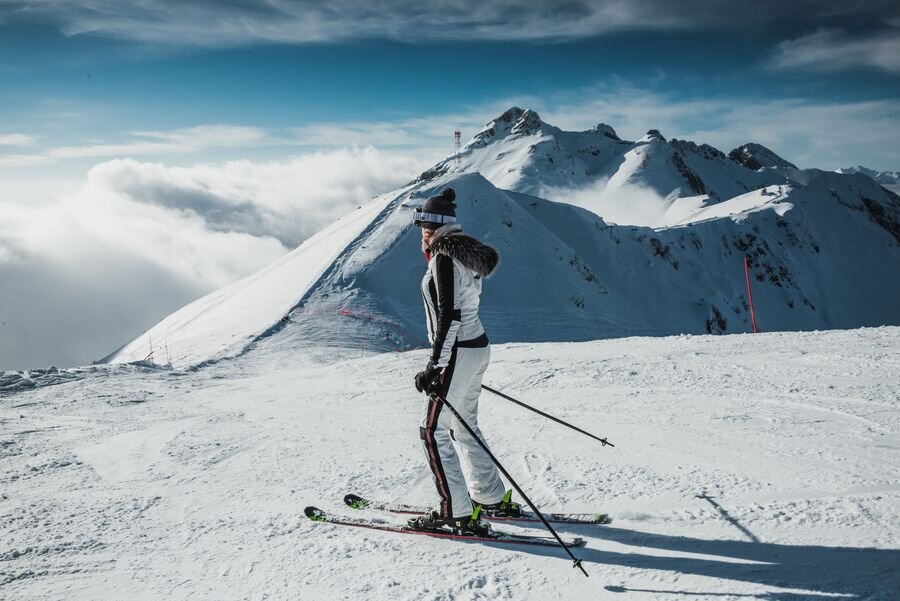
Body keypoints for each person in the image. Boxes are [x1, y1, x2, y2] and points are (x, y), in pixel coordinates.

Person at [410, 187, 521, 536]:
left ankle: (454, 511)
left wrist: (435, 366)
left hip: (457, 350)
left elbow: (448, 316)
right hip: (477, 348)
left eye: (423, 225)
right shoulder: (463, 256)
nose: (420, 232)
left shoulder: (444, 257)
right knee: (464, 424)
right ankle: (489, 497)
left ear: (433, 227)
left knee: (433, 429)